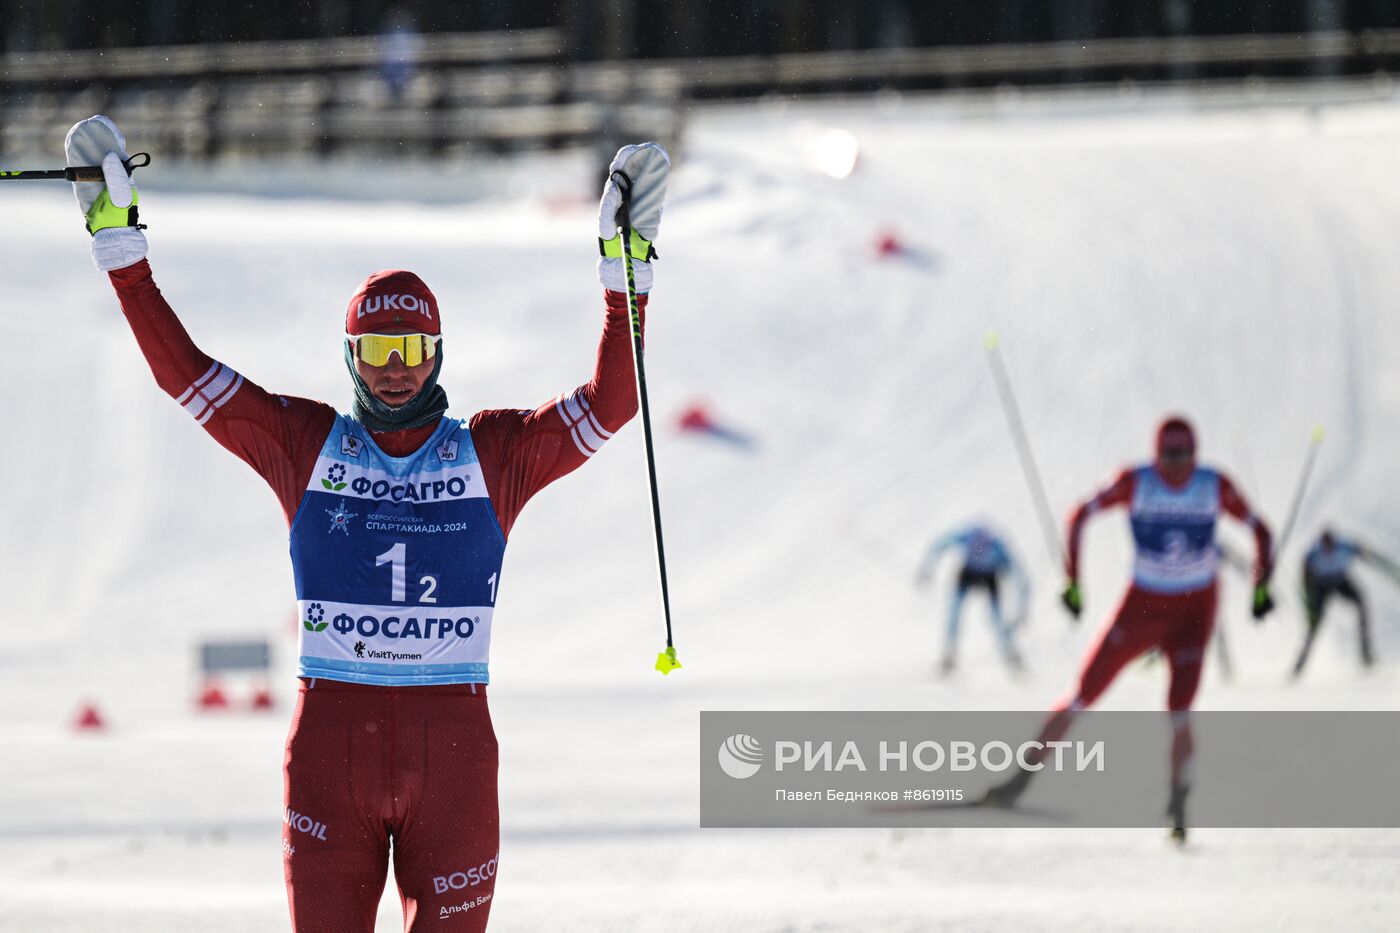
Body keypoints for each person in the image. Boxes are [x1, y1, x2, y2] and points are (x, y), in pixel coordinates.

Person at [63, 114, 669, 932]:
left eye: (413, 350)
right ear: (350, 355)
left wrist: (624, 276)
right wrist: (121, 252)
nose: (396, 371)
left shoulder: (491, 453)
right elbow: (190, 378)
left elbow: (612, 405)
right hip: (330, 753)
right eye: (378, 351)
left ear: (439, 353)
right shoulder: (307, 443)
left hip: (452, 754)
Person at [983, 416, 1274, 842]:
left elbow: (1260, 530)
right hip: (1142, 607)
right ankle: (1017, 781)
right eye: (1169, 456)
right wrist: (1072, 581)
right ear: (1156, 454)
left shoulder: (1214, 485)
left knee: (1179, 710)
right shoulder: (1135, 481)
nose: (1178, 466)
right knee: (1083, 693)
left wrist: (1261, 587)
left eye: (1186, 456)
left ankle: (1178, 806)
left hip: (1195, 611)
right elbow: (1079, 515)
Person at [914, 523, 1029, 673]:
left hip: (988, 577)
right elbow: (940, 544)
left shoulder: (997, 546)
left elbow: (1017, 572)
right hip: (968, 574)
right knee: (954, 613)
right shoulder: (969, 536)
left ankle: (1010, 655)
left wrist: (1022, 605)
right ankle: (949, 654)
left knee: (996, 619)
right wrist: (926, 569)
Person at [1292, 529, 1398, 677]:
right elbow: (1304, 582)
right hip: (1320, 585)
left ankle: (1365, 654)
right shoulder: (1312, 555)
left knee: (1362, 604)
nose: (1328, 549)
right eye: (1325, 546)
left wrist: (1390, 570)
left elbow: (1367, 554)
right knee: (1315, 623)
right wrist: (1310, 606)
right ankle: (1300, 664)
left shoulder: (1344, 547)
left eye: (1331, 545)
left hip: (1340, 580)